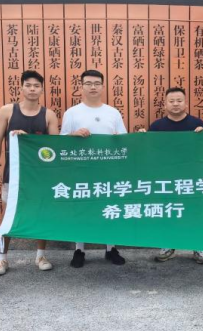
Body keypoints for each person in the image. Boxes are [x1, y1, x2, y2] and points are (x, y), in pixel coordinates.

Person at [0, 70, 59, 276]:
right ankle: (2, 259)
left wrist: (29, 139)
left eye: (36, 86)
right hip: (13, 173)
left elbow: (54, 146)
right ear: (21, 87)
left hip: (39, 174)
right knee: (9, 215)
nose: (32, 89)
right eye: (28, 85)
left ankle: (41, 256)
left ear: (42, 89)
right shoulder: (7, 111)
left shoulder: (48, 115)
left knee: (41, 212)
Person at [60, 69, 127, 268]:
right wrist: (73, 135)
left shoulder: (112, 112)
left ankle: (111, 247)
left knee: (109, 207)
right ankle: (79, 249)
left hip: (109, 169)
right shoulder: (72, 113)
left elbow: (124, 139)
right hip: (81, 170)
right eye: (88, 83)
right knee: (82, 208)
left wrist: (118, 139)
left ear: (103, 87)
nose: (93, 87)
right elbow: (61, 141)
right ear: (81, 87)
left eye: (97, 83)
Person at [139, 87, 203, 264]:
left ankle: (198, 246)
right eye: (171, 101)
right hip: (166, 178)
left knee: (194, 212)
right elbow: (149, 151)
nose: (175, 104)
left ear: (186, 103)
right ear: (165, 104)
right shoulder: (157, 126)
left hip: (192, 177)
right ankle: (168, 246)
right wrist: (141, 139)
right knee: (168, 211)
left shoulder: (197, 124)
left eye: (179, 100)